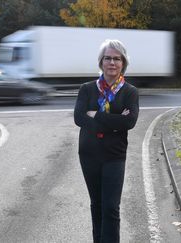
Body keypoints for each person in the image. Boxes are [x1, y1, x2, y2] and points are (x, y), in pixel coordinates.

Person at [74, 39, 139, 243]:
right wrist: (115, 122)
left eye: (117, 58)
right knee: (97, 203)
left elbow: (129, 122)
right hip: (89, 154)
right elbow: (79, 118)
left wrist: (96, 115)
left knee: (111, 206)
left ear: (123, 63)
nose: (112, 62)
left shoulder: (130, 91)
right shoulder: (87, 89)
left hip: (114, 155)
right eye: (108, 58)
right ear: (101, 62)